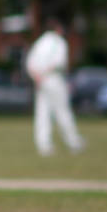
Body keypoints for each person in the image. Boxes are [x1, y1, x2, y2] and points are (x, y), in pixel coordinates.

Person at [24, 17, 85, 156]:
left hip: (40, 80)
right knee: (62, 110)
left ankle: (44, 145)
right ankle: (73, 141)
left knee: (42, 112)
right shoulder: (59, 42)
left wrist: (38, 77)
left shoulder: (40, 43)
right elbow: (58, 63)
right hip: (53, 79)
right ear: (58, 29)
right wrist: (45, 74)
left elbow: (30, 63)